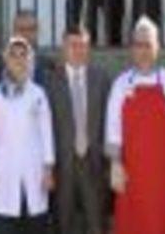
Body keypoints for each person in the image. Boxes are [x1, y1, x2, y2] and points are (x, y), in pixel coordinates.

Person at [106, 17, 165, 234]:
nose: (144, 51)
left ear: (157, 48)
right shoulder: (120, 84)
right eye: (139, 45)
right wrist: (115, 165)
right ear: (132, 49)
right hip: (132, 174)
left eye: (148, 44)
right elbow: (113, 127)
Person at [0, 37, 56, 234]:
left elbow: (46, 134)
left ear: (30, 59)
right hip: (2, 176)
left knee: (34, 223)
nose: (19, 60)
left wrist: (48, 169)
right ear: (6, 60)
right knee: (2, 222)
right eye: (14, 55)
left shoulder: (38, 94)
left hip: (34, 173)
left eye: (23, 55)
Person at [47, 24, 111, 234]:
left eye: (83, 45)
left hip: (94, 164)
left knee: (96, 223)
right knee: (63, 223)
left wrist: (109, 162)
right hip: (62, 166)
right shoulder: (50, 81)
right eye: (72, 45)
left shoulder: (101, 78)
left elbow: (109, 122)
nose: (78, 50)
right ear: (63, 47)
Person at [0, 10, 56, 88]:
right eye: (21, 30)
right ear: (13, 32)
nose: (26, 34)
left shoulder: (47, 64)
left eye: (31, 29)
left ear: (37, 32)